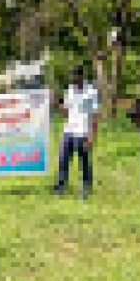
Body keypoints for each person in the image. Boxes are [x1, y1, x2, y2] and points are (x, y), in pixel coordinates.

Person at [53, 65, 99, 198]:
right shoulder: (69, 90)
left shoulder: (91, 91)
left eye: (75, 76)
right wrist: (56, 103)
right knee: (63, 159)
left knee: (83, 161)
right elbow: (66, 113)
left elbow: (95, 115)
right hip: (69, 130)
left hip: (83, 131)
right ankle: (61, 186)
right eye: (71, 76)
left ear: (81, 76)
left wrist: (91, 136)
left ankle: (86, 187)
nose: (72, 79)